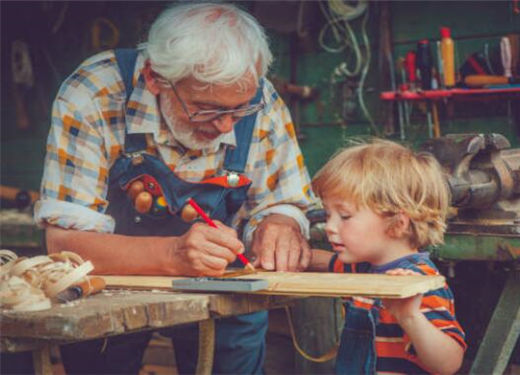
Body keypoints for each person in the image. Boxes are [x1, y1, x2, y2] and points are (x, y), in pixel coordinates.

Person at [34, 2, 318, 374]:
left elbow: (285, 201)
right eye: (206, 109)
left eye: (240, 110)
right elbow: (65, 245)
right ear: (155, 77)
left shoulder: (256, 98)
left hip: (224, 290)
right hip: (112, 290)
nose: (226, 126)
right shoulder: (94, 93)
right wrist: (175, 254)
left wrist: (282, 223)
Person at [309, 139, 466, 374]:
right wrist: (291, 256)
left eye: (344, 216)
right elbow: (321, 261)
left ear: (397, 223)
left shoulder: (419, 282)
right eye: (327, 214)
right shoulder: (360, 267)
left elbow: (449, 364)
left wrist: (410, 316)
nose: (329, 227)